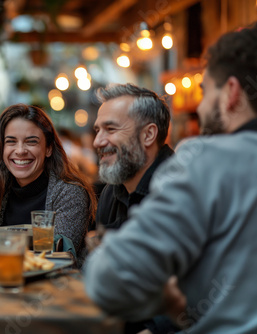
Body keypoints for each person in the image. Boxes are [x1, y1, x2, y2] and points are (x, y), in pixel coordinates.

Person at [84, 22, 257, 333]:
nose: (201, 105)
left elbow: (107, 279)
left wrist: (167, 301)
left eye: (205, 91)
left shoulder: (205, 160)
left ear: (232, 94)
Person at [91, 84, 175, 333]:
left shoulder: (183, 191)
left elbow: (210, 285)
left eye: (110, 129)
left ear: (148, 135)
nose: (97, 141)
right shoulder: (112, 191)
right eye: (97, 130)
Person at [0, 104, 97, 260]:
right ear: (1, 148)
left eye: (31, 141)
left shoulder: (69, 193)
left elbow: (58, 256)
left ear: (48, 148)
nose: (20, 150)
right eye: (11, 142)